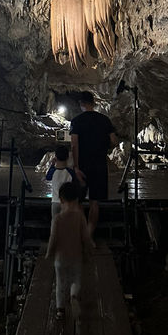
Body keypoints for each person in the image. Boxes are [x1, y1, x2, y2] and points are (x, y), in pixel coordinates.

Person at [70, 90, 117, 241]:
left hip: (83, 164)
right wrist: (104, 146)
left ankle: (79, 234)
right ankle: (89, 236)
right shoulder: (104, 120)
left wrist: (76, 167)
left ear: (81, 104)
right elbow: (114, 141)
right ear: (94, 103)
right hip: (99, 165)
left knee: (77, 201)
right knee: (94, 202)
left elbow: (74, 145)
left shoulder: (77, 121)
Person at [45, 181, 92, 320]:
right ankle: (73, 296)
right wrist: (88, 251)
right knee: (76, 280)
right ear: (77, 199)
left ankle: (60, 310)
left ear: (60, 199)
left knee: (60, 283)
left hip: (60, 258)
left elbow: (53, 238)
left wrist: (49, 252)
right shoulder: (80, 217)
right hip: (76, 256)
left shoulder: (57, 219)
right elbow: (85, 237)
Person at [45, 145, 75, 224]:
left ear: (56, 157)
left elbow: (47, 177)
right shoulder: (70, 172)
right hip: (67, 203)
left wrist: (52, 164)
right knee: (67, 224)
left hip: (55, 202)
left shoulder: (53, 171)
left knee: (55, 224)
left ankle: (54, 236)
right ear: (68, 157)